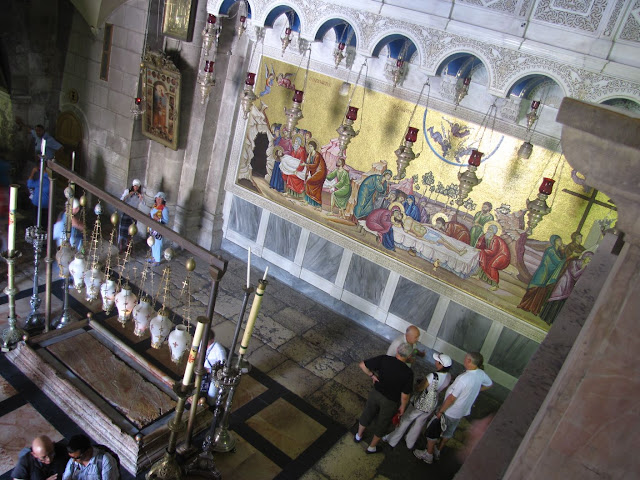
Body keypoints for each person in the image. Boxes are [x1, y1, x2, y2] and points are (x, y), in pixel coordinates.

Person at [414, 351, 492, 464]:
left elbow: (451, 398)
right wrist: (474, 391)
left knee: (432, 430)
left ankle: (428, 454)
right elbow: (489, 384)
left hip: (449, 411)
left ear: (470, 361)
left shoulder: (463, 379)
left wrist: (440, 411)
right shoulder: (480, 374)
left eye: (466, 358)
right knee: (448, 432)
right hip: (462, 412)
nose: (464, 359)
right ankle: (438, 450)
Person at [383, 352, 452, 449]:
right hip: (432, 403)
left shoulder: (433, 376)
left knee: (406, 420)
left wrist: (417, 385)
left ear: (440, 364)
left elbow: (419, 388)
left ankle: (392, 440)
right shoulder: (448, 376)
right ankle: (410, 443)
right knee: (419, 423)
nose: (436, 361)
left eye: (438, 360)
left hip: (422, 402)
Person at [354, 342, 414, 454]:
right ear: (409, 357)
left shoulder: (384, 359)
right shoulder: (408, 373)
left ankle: (358, 435)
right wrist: (402, 406)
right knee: (383, 423)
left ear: (397, 350)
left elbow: (362, 365)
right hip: (390, 401)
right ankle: (372, 447)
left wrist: (372, 375)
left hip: (376, 393)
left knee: (367, 413)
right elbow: (405, 395)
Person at [539, 251, 594, 325]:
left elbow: (578, 278)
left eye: (591, 260)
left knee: (562, 302)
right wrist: (583, 269)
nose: (590, 260)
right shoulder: (574, 262)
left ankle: (552, 321)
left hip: (570, 285)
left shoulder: (584, 266)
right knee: (557, 299)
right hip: (564, 282)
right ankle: (546, 318)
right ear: (585, 257)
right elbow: (574, 274)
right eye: (589, 258)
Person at [518, 235, 565, 315]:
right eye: (558, 240)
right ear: (554, 241)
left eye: (560, 240)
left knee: (542, 292)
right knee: (534, 288)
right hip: (543, 273)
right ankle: (524, 305)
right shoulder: (550, 250)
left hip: (548, 275)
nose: (560, 242)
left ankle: (534, 308)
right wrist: (564, 255)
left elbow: (560, 261)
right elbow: (557, 261)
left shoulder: (557, 252)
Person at [475, 223, 511, 291]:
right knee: (484, 260)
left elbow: (493, 252)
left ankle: (495, 285)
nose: (488, 230)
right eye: (488, 229)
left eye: (490, 230)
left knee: (492, 266)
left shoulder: (495, 240)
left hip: (503, 256)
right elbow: (481, 244)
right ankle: (478, 276)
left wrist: (481, 250)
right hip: (494, 255)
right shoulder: (487, 236)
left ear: (494, 232)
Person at [118, 179, 143, 253]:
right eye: (135, 186)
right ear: (133, 186)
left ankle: (128, 248)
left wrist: (141, 198)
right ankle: (121, 247)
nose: (136, 188)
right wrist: (129, 195)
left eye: (137, 187)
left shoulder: (140, 195)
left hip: (134, 214)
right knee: (122, 230)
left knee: (131, 232)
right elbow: (121, 200)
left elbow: (143, 205)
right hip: (126, 212)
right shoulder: (127, 191)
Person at [203, 329, 227, 405]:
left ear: (212, 340)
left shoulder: (219, 350)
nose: (204, 344)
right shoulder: (202, 343)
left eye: (207, 342)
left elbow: (223, 367)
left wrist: (209, 370)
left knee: (212, 393)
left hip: (215, 374)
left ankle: (211, 405)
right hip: (203, 371)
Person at [304, 140, 327, 209]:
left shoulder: (317, 155)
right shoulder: (310, 155)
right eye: (309, 146)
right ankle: (312, 203)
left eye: (311, 146)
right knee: (316, 188)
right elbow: (309, 165)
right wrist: (306, 174)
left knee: (309, 182)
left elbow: (315, 165)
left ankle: (316, 204)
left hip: (320, 172)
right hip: (316, 172)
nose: (309, 148)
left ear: (314, 147)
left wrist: (306, 164)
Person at [149, 192, 169, 266]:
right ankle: (153, 257)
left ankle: (157, 260)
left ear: (163, 200)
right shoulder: (154, 207)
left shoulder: (164, 209)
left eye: (160, 199)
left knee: (158, 243)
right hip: (152, 227)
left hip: (159, 229)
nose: (158, 200)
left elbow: (166, 221)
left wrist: (158, 219)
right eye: (157, 198)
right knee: (153, 243)